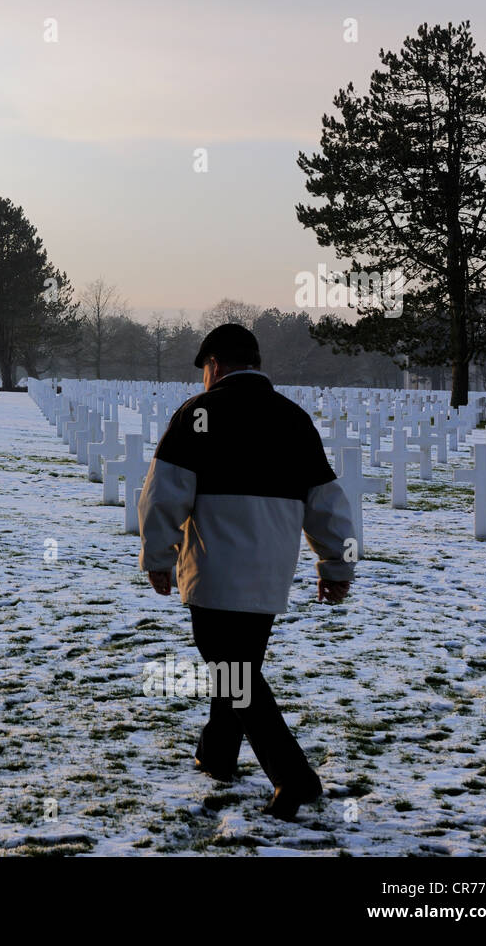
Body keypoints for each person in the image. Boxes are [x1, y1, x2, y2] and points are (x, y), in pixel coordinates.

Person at [137, 323, 356, 821]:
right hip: (271, 574)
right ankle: (217, 755)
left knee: (234, 674)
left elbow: (163, 494)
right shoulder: (293, 418)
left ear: (214, 364)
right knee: (240, 666)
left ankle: (292, 775)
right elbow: (327, 503)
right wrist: (336, 563)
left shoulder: (198, 414)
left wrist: (158, 556)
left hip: (214, 569)